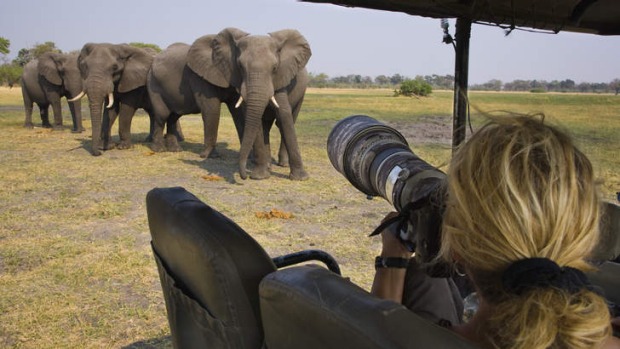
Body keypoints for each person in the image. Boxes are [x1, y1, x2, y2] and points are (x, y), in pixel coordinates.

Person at [371, 115, 620, 349]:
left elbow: (373, 333)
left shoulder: (416, 341)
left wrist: (391, 261)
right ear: (585, 237)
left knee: (420, 276)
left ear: (456, 245)